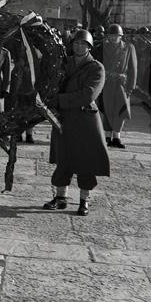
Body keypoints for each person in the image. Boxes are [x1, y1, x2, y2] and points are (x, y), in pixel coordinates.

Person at [44, 29, 109, 216]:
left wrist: (60, 99)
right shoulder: (64, 63)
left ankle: (84, 200)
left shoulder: (97, 68)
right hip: (64, 118)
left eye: (83, 44)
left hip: (85, 120)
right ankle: (60, 197)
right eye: (76, 43)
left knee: (85, 162)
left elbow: (88, 95)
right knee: (63, 159)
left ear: (89, 46)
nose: (79, 46)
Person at [101, 23, 137, 149]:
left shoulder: (129, 47)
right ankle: (107, 137)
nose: (113, 38)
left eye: (116, 35)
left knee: (121, 110)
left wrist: (131, 86)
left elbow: (133, 68)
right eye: (111, 35)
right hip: (107, 83)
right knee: (107, 109)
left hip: (122, 85)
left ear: (120, 36)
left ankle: (117, 137)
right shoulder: (103, 47)